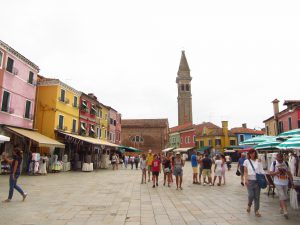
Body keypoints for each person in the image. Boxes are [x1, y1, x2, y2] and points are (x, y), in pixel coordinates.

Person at [269, 153, 294, 219]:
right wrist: (277, 172)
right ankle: (285, 211)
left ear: (283, 158)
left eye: (281, 159)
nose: (280, 160)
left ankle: (281, 207)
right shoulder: (274, 163)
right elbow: (270, 173)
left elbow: (289, 173)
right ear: (276, 158)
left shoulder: (286, 163)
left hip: (285, 182)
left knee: (284, 196)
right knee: (282, 195)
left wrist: (292, 181)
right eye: (279, 159)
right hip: (277, 182)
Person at [243, 149, 265, 217]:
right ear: (249, 154)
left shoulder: (258, 161)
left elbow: (261, 171)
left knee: (257, 197)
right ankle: (249, 205)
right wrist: (246, 179)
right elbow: (245, 171)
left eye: (254, 153)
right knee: (251, 195)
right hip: (250, 180)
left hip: (257, 181)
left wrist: (264, 177)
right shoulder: (246, 161)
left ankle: (256, 210)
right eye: (251, 153)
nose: (253, 154)